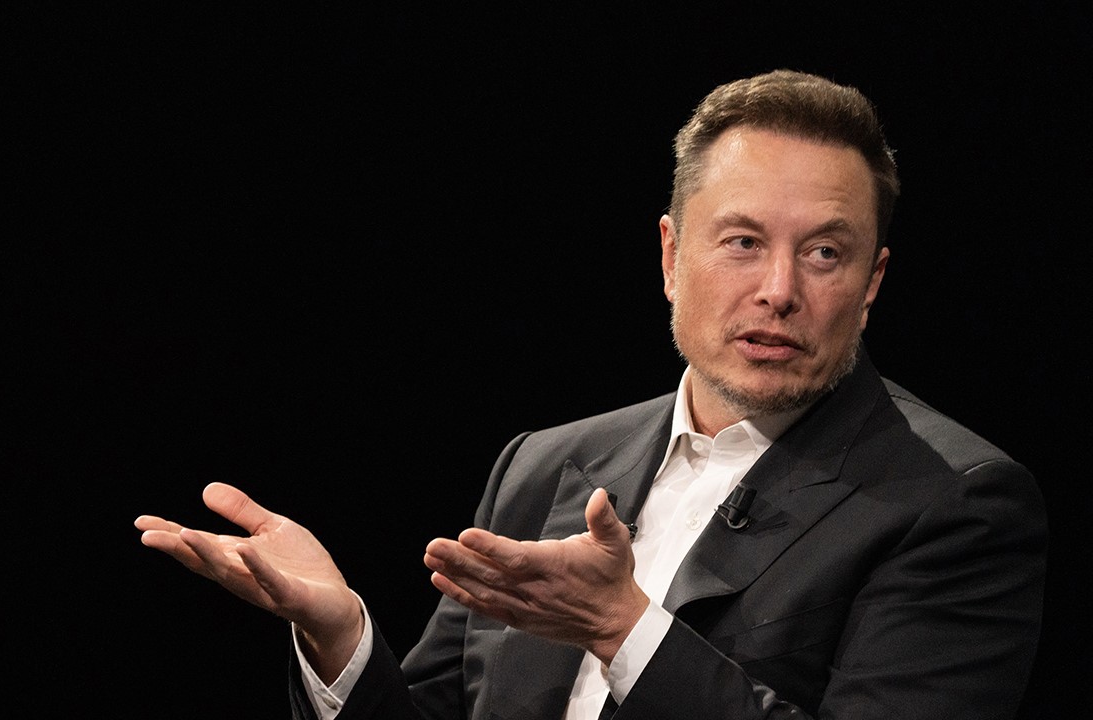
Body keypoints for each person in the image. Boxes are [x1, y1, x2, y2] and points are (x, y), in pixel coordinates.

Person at [135, 70, 1046, 719]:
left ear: (872, 281)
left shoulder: (954, 502)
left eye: (824, 253)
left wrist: (624, 631)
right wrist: (342, 637)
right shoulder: (546, 464)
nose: (779, 290)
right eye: (741, 242)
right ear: (670, 256)